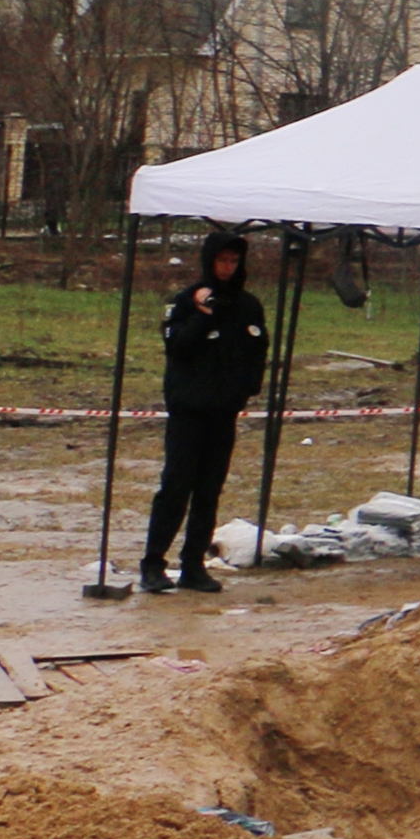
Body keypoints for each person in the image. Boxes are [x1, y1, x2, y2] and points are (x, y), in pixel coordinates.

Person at [137, 229, 268, 595]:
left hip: (223, 413)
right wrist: (204, 315)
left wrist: (244, 391)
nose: (227, 267)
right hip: (188, 412)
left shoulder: (247, 306)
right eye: (222, 260)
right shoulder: (186, 301)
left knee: (209, 490)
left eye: (233, 261)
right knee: (176, 486)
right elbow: (178, 347)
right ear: (209, 262)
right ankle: (153, 563)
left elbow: (257, 350)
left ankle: (193, 564)